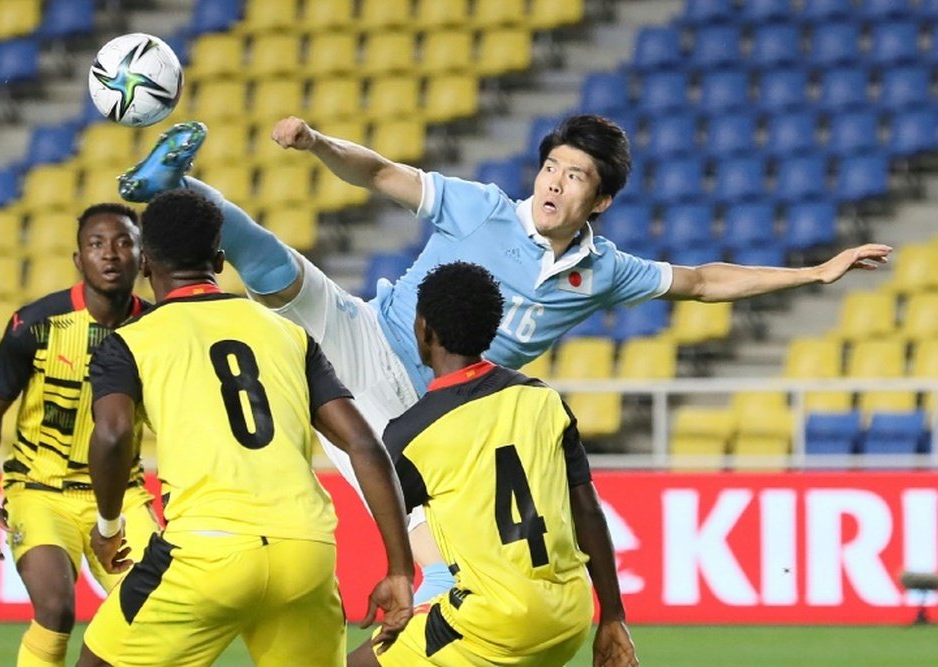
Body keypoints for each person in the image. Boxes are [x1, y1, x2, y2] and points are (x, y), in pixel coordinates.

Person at [117, 114, 892, 603]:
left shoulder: (604, 269)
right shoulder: (483, 206)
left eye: (576, 175)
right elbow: (384, 172)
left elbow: (700, 281)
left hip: (419, 412)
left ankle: (437, 641)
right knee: (280, 269)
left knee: (438, 559)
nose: (556, 180)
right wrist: (321, 145)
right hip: (369, 330)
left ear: (601, 200)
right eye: (553, 165)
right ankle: (186, 186)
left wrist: (815, 271)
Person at [77, 189, 414, 667]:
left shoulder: (129, 344)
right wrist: (399, 568)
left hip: (208, 553)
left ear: (145, 263)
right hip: (306, 553)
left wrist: (110, 526)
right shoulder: (289, 333)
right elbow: (363, 442)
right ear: (219, 259)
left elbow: (111, 436)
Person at [350, 261, 638, 667]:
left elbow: (394, 516)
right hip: (570, 616)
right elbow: (587, 510)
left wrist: (398, 572)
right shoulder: (543, 400)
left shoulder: (411, 434)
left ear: (424, 330)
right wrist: (613, 617)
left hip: (494, 624)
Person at [0, 203, 160, 667]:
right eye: (96, 244)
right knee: (55, 608)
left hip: (122, 496)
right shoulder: (34, 324)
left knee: (153, 610)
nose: (110, 254)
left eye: (123, 243)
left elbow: (177, 419)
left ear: (143, 258)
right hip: (39, 492)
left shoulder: (158, 329)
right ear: (79, 259)